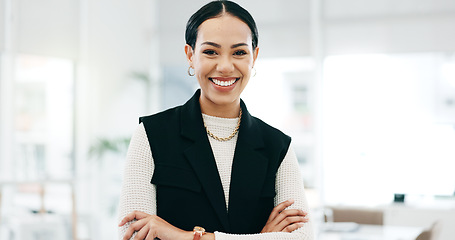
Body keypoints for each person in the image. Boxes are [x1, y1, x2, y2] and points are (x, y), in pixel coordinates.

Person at [118, 1, 314, 239]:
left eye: (239, 52)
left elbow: (302, 236)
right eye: (210, 52)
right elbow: (131, 235)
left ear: (255, 57)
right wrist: (262, 237)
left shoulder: (277, 145)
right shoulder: (152, 134)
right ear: (190, 55)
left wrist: (183, 236)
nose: (225, 66)